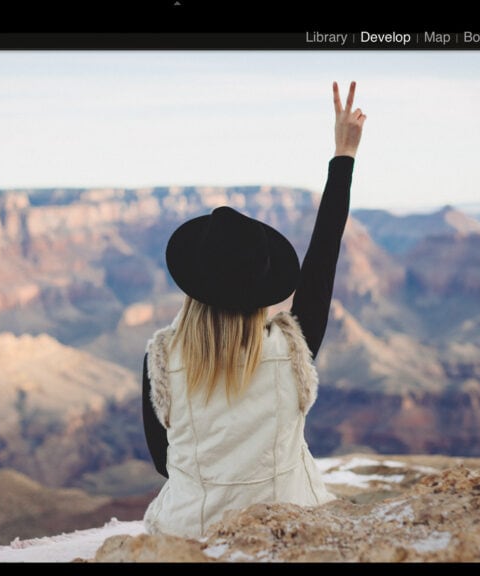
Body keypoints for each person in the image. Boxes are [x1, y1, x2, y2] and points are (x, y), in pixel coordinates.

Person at [140, 81, 366, 538]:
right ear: (262, 285)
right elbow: (322, 261)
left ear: (193, 286)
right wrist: (344, 154)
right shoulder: (294, 346)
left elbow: (165, 462)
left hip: (190, 532)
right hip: (289, 528)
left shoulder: (161, 360)